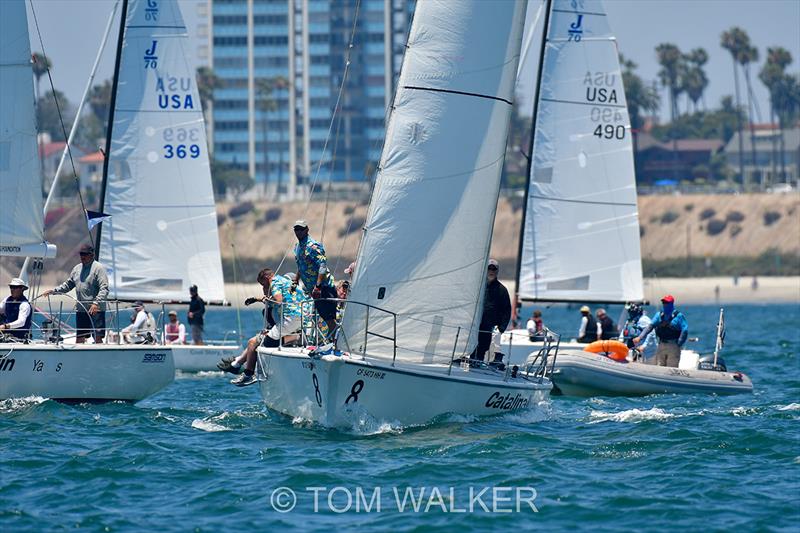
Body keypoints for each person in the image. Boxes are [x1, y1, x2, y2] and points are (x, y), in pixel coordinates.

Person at [220, 268, 307, 386]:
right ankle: (243, 368)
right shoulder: (284, 281)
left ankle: (251, 374)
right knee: (260, 341)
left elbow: (278, 300)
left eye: (263, 283)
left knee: (262, 343)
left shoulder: (275, 282)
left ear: (267, 278)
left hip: (291, 318)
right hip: (301, 316)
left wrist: (267, 297)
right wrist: (258, 299)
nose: (264, 287)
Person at [42, 244, 108, 343]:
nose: (83, 256)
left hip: (95, 309)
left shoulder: (99, 268)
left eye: (85, 254)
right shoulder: (77, 269)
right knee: (80, 337)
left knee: (97, 337)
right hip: (81, 309)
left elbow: (104, 288)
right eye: (81, 254)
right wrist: (54, 291)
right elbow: (68, 285)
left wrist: (96, 303)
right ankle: (79, 357)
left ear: (92, 255)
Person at [292, 220, 337, 336]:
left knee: (329, 319)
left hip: (324, 288)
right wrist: (296, 280)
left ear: (307, 230)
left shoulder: (313, 246)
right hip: (313, 290)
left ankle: (335, 344)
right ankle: (331, 341)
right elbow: (301, 265)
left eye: (301, 229)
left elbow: (322, 265)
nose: (298, 232)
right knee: (322, 317)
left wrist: (318, 286)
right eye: (296, 229)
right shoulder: (298, 247)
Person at [470, 259, 511, 363]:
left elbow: (507, 311)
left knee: (482, 350)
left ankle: (477, 366)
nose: (491, 271)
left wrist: (501, 329)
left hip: (488, 327)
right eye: (489, 268)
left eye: (494, 269)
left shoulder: (502, 290)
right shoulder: (477, 286)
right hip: (474, 325)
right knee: (470, 349)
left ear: (497, 271)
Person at [634, 294, 688, 368]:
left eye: (667, 303)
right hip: (661, 344)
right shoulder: (659, 315)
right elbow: (650, 327)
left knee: (671, 368)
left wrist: (679, 343)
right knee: (659, 367)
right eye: (664, 302)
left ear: (671, 304)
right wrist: (640, 337)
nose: (665, 304)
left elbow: (684, 330)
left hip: (673, 345)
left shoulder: (678, 316)